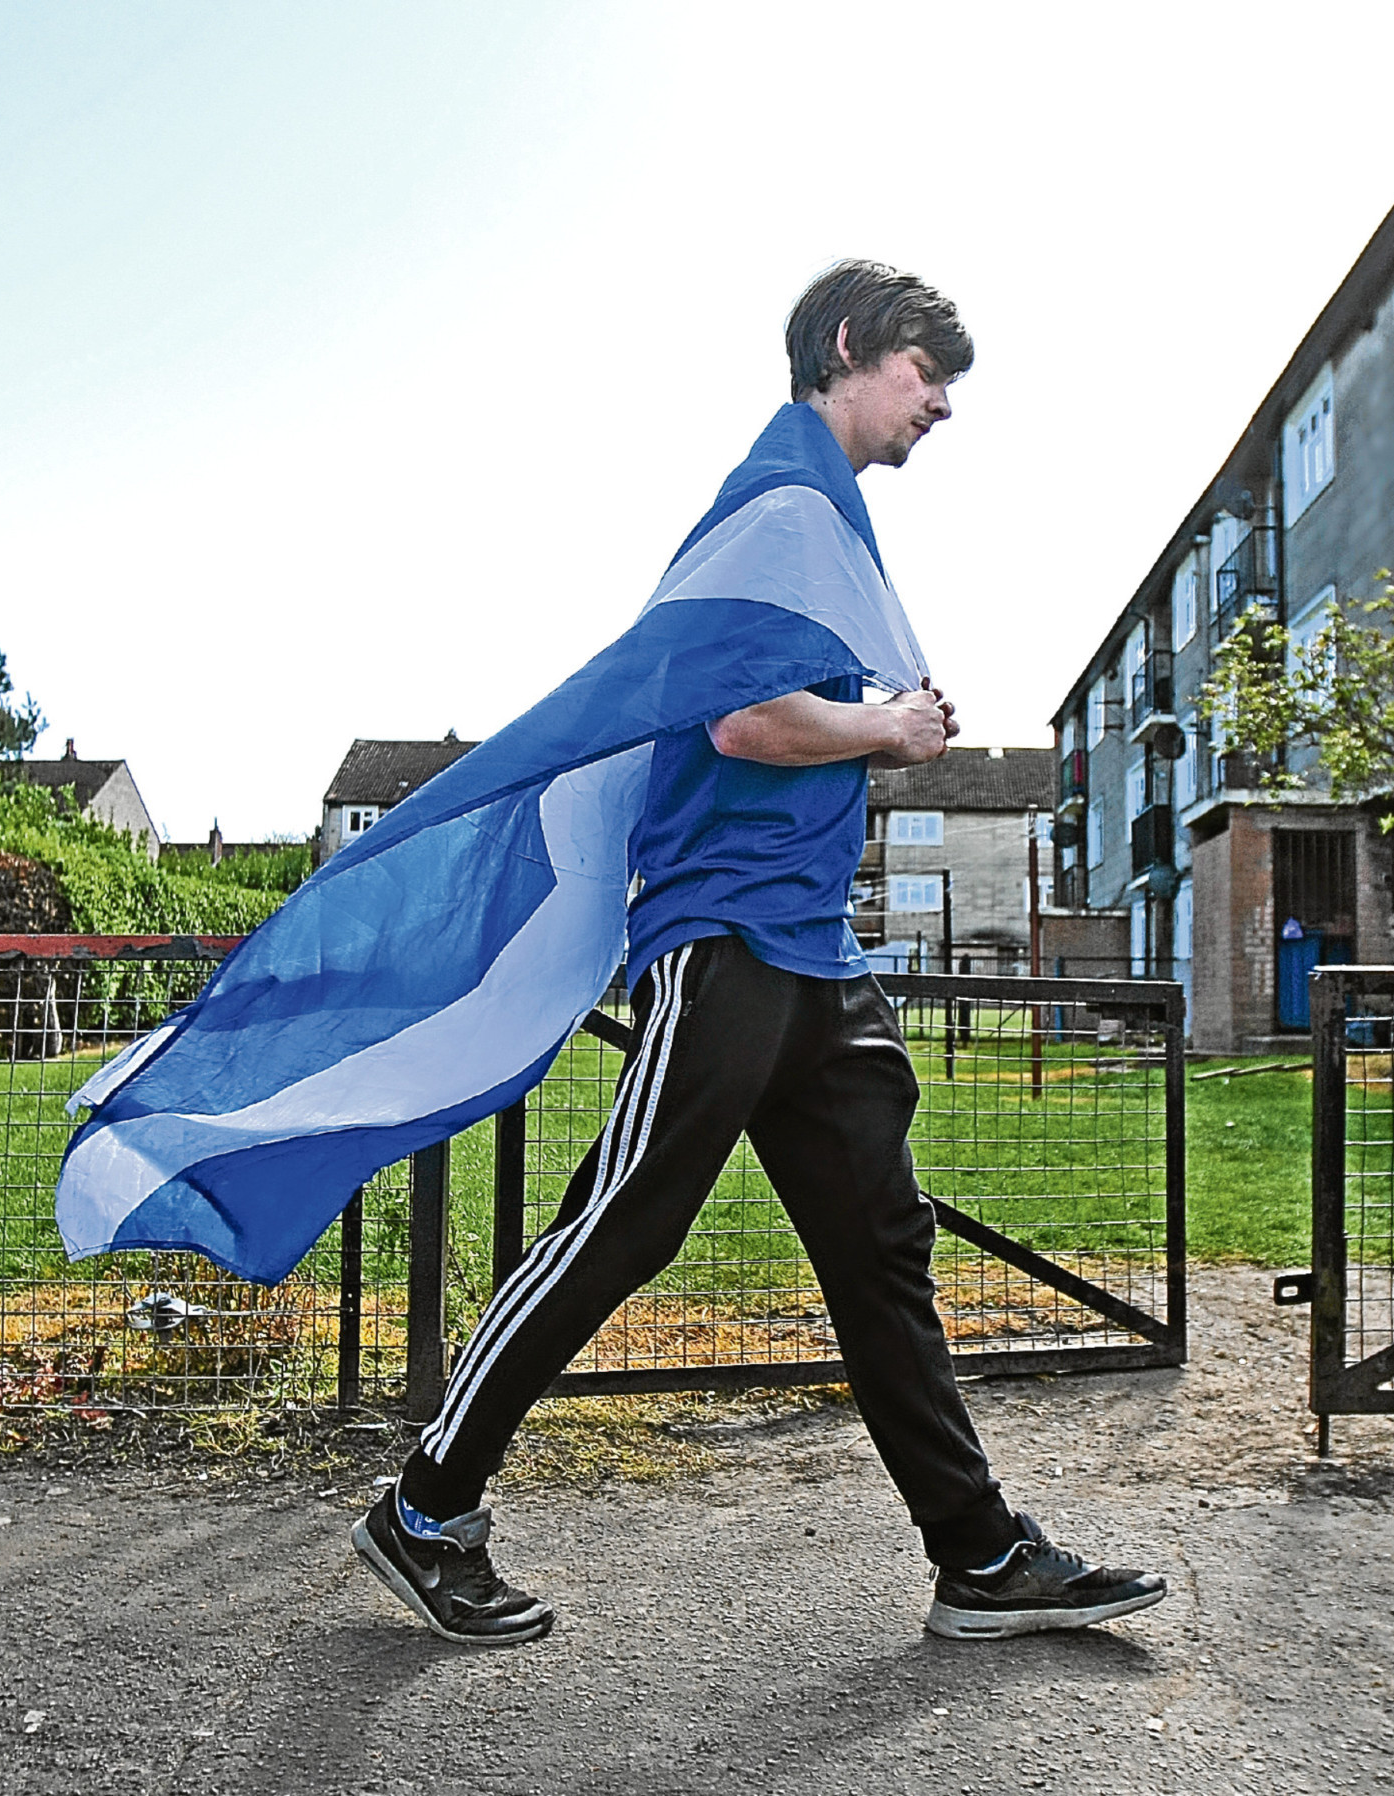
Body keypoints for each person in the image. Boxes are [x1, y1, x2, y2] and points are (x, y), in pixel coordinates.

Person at [353, 262, 1167, 1647]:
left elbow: (789, 724)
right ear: (848, 350)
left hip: (813, 951)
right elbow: (740, 722)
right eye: (927, 371)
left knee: (881, 1246)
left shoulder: (827, 519)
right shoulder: (778, 500)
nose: (945, 404)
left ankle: (976, 1558)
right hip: (724, 936)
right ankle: (426, 1508)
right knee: (622, 1223)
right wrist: (888, 729)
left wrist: (877, 732)